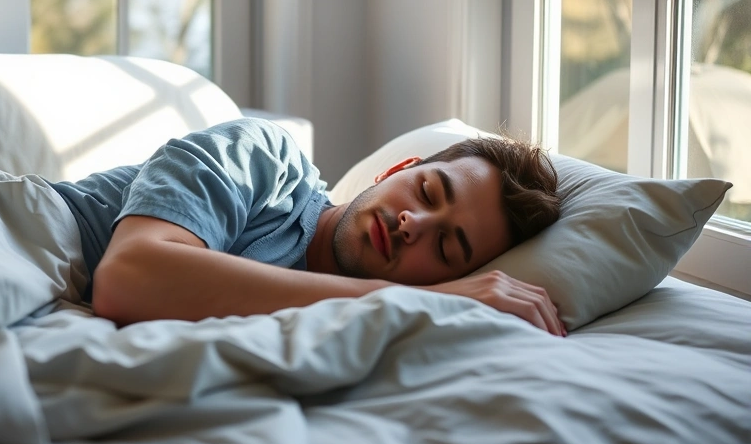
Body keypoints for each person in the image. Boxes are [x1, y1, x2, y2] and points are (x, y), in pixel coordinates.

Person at [50, 117, 564, 335]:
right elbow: (128, 279)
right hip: (6, 221)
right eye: (427, 192)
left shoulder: (344, 324)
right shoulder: (267, 163)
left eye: (447, 247)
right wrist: (427, 297)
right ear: (395, 170)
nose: (414, 223)